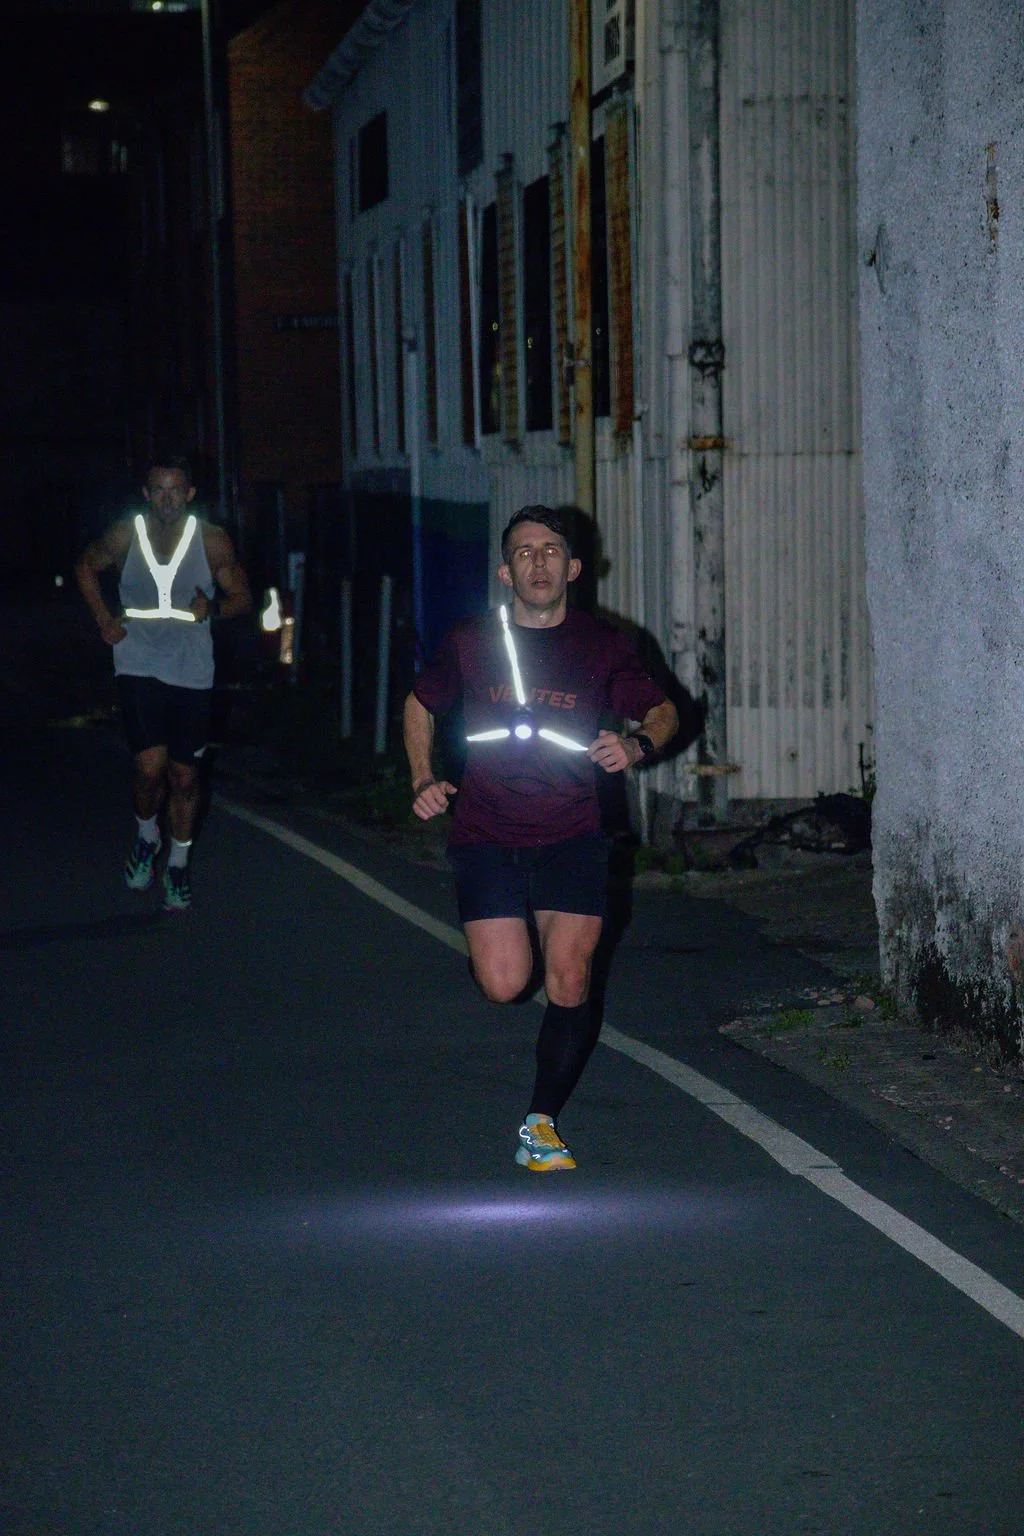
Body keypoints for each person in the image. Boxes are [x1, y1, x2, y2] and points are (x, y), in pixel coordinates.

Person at [403, 505, 679, 1171]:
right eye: (524, 552)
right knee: (504, 984)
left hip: (574, 831)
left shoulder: (603, 643)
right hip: (486, 832)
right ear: (506, 572)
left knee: (570, 977)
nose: (538, 562)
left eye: (551, 550)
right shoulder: (472, 639)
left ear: (573, 568)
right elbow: (419, 703)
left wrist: (637, 745)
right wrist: (422, 777)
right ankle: (500, 946)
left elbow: (664, 710)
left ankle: (540, 1123)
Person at [75, 456, 252, 911]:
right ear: (146, 493)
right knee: (149, 769)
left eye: (176, 490)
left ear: (190, 494)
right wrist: (103, 620)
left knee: (184, 775)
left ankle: (176, 864)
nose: (167, 499)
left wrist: (212, 609)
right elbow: (86, 566)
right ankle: (146, 836)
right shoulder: (125, 533)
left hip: (191, 670)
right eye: (159, 490)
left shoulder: (211, 540)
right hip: (137, 662)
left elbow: (242, 598)